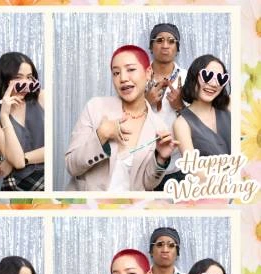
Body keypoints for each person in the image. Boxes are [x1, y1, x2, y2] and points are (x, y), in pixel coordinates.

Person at [65, 45, 178, 191]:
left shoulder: (158, 127)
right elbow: (71, 166)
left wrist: (161, 159)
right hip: (88, 203)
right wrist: (102, 135)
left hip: (128, 204)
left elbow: (148, 184)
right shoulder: (95, 107)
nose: (123, 78)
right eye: (116, 73)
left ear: (148, 73)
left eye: (130, 70)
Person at [0, 52, 45, 191]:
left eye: (29, 77)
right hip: (16, 182)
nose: (26, 83)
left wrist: (22, 158)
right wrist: (4, 116)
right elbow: (17, 162)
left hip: (45, 177)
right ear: (5, 79)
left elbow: (52, 150)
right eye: (18, 77)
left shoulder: (42, 98)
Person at [145, 23, 188, 191]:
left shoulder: (188, 78)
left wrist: (180, 107)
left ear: (177, 48)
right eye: (159, 40)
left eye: (171, 41)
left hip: (178, 167)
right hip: (143, 165)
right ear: (151, 46)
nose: (165, 45)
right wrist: (146, 101)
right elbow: (123, 114)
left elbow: (199, 124)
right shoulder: (138, 75)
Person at [173, 55, 231, 162]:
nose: (214, 84)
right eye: (207, 76)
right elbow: (193, 167)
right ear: (194, 77)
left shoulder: (230, 105)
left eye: (220, 79)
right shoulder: (181, 124)